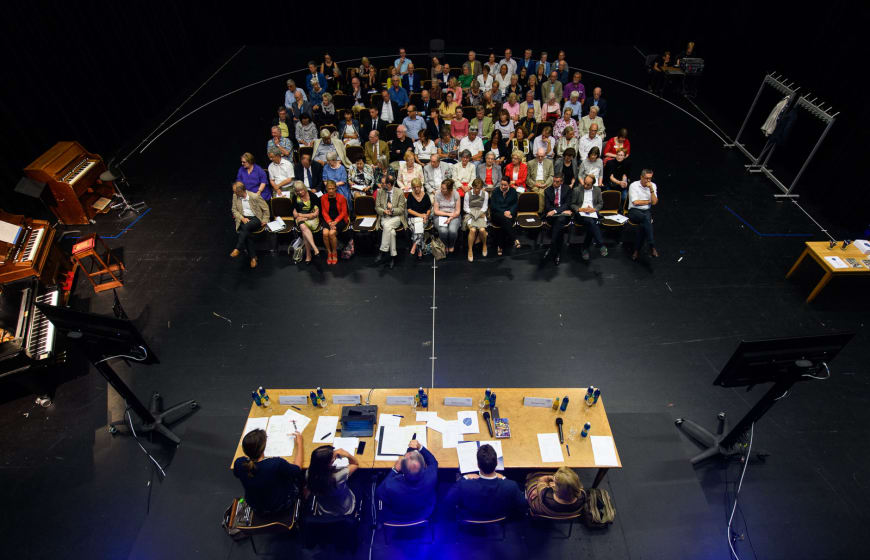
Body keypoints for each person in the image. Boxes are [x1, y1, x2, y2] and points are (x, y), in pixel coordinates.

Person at [444, 444, 527, 521]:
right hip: (499, 517)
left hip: (471, 516)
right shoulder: (511, 486)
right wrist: (504, 479)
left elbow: (447, 501)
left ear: (478, 465)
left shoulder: (463, 485)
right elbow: (523, 505)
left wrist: (464, 477)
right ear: (497, 463)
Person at [233, 428, 304, 515]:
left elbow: (238, 474)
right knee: (301, 475)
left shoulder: (239, 463)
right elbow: (298, 468)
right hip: (280, 506)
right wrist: (300, 444)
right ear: (263, 447)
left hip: (256, 507)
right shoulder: (276, 464)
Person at [376, 438, 438, 522]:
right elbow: (433, 462)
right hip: (424, 512)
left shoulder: (390, 485)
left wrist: (394, 470)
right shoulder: (431, 475)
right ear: (424, 467)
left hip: (399, 516)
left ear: (402, 469)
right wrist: (420, 447)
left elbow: (379, 493)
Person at [307, 445, 359, 516]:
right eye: (333, 458)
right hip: (344, 509)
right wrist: (347, 454)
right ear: (328, 464)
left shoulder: (308, 474)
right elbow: (355, 464)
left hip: (324, 510)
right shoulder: (338, 476)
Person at [230, 182, 269, 268]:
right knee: (247, 234)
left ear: (241, 191)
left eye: (236, 192)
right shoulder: (235, 196)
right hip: (244, 218)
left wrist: (265, 219)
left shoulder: (254, 196)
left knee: (245, 227)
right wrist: (242, 218)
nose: (234, 194)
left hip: (256, 218)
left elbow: (266, 209)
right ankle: (253, 258)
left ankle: (238, 248)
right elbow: (234, 210)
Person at [571, 174, 607, 260]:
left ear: (592, 184)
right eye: (585, 183)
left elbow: (600, 203)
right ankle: (600, 244)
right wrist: (580, 209)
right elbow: (572, 204)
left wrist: (594, 209)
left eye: (588, 184)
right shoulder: (577, 190)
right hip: (581, 214)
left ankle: (585, 248)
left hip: (592, 213)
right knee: (592, 222)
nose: (585, 185)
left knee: (591, 223)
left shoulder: (597, 190)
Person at [374, 177, 407, 268]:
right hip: (384, 216)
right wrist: (384, 211)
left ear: (389, 184)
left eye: (383, 183)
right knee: (391, 232)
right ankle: (393, 256)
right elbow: (377, 207)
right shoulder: (380, 192)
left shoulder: (399, 192)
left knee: (387, 226)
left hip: (396, 217)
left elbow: (401, 209)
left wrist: (392, 209)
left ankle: (382, 251)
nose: (381, 185)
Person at [628, 169, 659, 260]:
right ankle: (652, 246)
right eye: (646, 178)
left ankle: (636, 251)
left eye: (650, 178)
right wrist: (649, 201)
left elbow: (655, 202)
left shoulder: (653, 186)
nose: (648, 181)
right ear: (641, 177)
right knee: (646, 220)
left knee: (643, 225)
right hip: (634, 211)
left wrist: (651, 190)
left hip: (646, 211)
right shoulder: (634, 185)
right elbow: (636, 202)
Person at [543, 175, 572, 265]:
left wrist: (555, 211)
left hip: (562, 215)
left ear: (562, 182)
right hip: (551, 215)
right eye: (554, 181)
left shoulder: (567, 189)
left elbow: (567, 204)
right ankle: (557, 251)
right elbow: (548, 206)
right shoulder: (548, 190)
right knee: (558, 224)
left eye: (557, 182)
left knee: (559, 221)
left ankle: (552, 246)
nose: (554, 183)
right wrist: (555, 211)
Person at [320, 180, 349, 265]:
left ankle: (334, 252)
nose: (331, 190)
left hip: (340, 219)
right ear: (326, 189)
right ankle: (329, 252)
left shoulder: (342, 197)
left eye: (333, 188)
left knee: (331, 233)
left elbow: (344, 212)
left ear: (336, 188)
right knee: (325, 233)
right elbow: (324, 212)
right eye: (329, 189)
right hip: (328, 219)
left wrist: (335, 222)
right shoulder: (323, 198)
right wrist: (329, 222)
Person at [490, 177, 522, 256]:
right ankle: (514, 238)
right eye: (502, 185)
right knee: (504, 220)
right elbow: (493, 206)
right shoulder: (496, 191)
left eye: (505, 185)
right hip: (497, 213)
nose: (503, 187)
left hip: (509, 214)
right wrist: (504, 212)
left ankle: (500, 246)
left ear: (509, 184)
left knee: (504, 223)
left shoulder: (513, 191)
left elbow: (515, 204)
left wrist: (510, 211)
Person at [292, 180, 322, 263]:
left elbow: (315, 214)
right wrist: (305, 216)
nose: (300, 192)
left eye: (302, 190)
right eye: (298, 191)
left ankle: (309, 254)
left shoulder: (312, 196)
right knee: (302, 226)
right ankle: (315, 249)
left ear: (305, 188)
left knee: (304, 231)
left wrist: (302, 216)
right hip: (302, 220)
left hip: (312, 220)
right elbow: (295, 215)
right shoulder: (295, 197)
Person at [464, 178, 489, 262]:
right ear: (473, 187)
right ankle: (470, 250)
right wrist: (474, 214)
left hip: (481, 212)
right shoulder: (467, 194)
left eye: (479, 188)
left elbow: (485, 206)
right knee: (472, 230)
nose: (477, 190)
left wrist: (479, 213)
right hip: (470, 213)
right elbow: (466, 207)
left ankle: (484, 245)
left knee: (482, 230)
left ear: (482, 188)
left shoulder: (485, 194)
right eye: (476, 188)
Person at [406, 179, 431, 261]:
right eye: (414, 187)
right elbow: (409, 210)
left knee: (418, 228)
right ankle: (419, 249)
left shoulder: (426, 195)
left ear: (421, 186)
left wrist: (426, 216)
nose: (416, 189)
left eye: (418, 187)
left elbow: (429, 208)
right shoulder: (410, 196)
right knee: (418, 229)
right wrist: (420, 215)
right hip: (412, 218)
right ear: (412, 188)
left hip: (424, 218)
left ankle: (414, 246)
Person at [433, 179, 461, 253]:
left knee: (452, 230)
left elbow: (457, 211)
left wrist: (451, 217)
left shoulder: (456, 194)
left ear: (450, 189)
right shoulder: (438, 194)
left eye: (444, 189)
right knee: (443, 231)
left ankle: (451, 245)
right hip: (440, 215)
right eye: (441, 187)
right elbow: (436, 211)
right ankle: (445, 245)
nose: (441, 190)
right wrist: (448, 215)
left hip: (454, 215)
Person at [527, 147, 553, 212]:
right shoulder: (530, 163)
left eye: (542, 156)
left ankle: (539, 212)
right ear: (536, 155)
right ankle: (538, 212)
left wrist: (545, 184)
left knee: (542, 192)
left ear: (545, 155)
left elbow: (551, 176)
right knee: (537, 193)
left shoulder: (549, 162)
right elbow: (528, 177)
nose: (540, 158)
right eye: (539, 156)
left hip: (545, 182)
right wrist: (535, 184)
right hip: (534, 182)